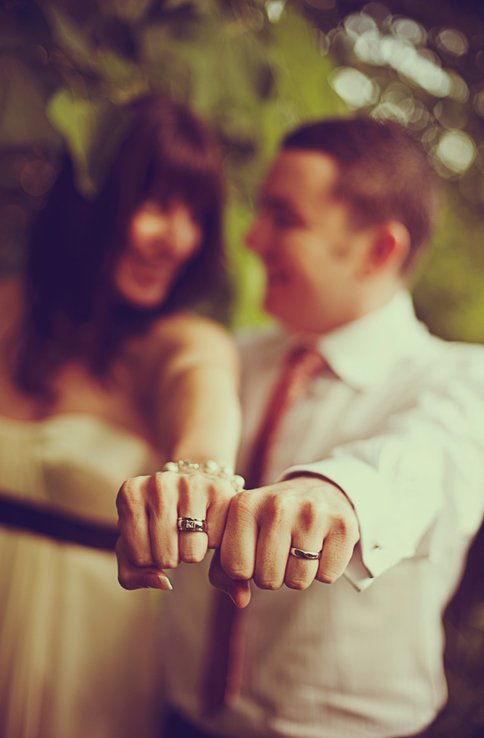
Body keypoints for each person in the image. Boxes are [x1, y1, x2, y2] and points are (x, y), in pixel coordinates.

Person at [116, 117, 484, 738]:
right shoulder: (237, 355)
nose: (253, 239)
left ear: (379, 250)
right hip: (171, 716)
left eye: (285, 218)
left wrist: (334, 493)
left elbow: (428, 462)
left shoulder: (461, 379)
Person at [0, 94, 242, 738]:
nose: (181, 240)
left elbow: (205, 394)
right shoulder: (6, 310)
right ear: (93, 203)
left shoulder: (184, 343)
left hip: (89, 675)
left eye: (197, 216)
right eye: (159, 204)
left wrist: (200, 474)